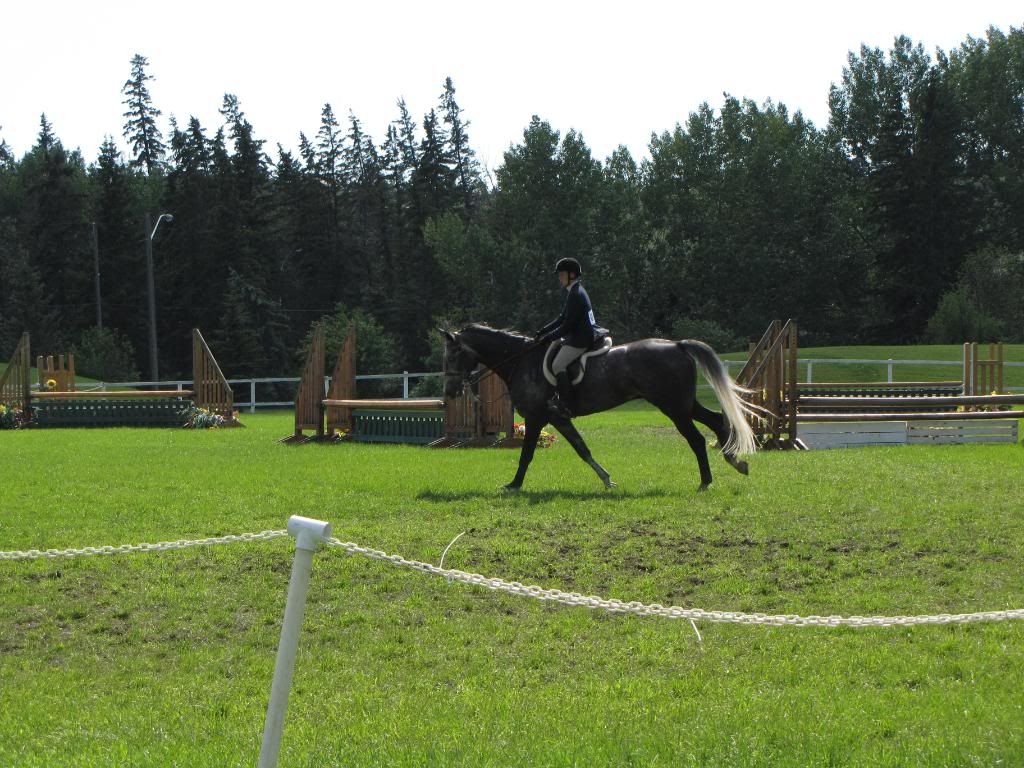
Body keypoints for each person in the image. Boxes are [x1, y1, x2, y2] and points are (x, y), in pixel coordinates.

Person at [534, 257, 605, 419]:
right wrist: (543, 331)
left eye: (562, 274)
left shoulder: (575, 294)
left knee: (557, 365)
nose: (559, 278)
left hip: (581, 339)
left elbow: (566, 326)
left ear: (571, 275)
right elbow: (561, 318)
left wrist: (548, 338)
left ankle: (568, 404)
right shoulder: (575, 290)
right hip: (579, 335)